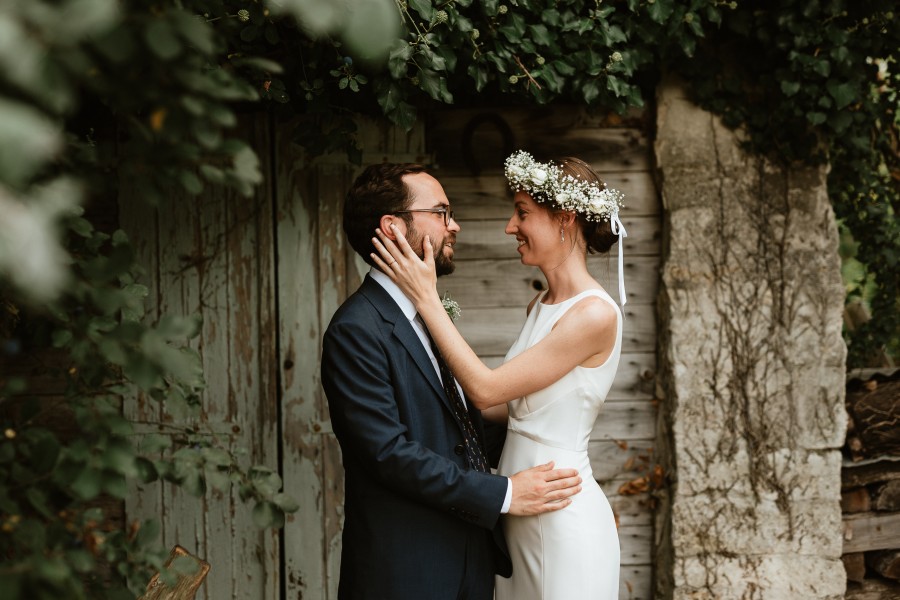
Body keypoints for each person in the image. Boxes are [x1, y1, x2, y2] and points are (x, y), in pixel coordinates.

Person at [320, 162, 584, 600]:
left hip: (470, 562)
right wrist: (503, 493)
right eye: (441, 213)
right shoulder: (357, 329)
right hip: (407, 570)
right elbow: (388, 453)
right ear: (392, 227)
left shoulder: (429, 317)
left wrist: (549, 424)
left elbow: (464, 428)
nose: (454, 225)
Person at [371, 151, 627, 599]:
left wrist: (426, 300)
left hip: (560, 513)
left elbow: (487, 389)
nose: (510, 227)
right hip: (518, 516)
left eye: (522, 213)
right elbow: (497, 408)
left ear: (565, 219)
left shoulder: (593, 315)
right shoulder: (540, 306)